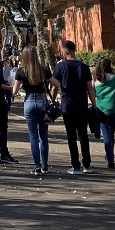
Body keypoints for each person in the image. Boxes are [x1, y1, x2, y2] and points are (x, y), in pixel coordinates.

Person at [50, 39, 95, 174]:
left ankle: (75, 165)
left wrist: (52, 101)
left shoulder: (60, 67)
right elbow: (90, 88)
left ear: (66, 52)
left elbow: (54, 87)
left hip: (67, 104)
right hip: (81, 104)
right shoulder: (84, 67)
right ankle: (86, 164)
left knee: (71, 136)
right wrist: (94, 104)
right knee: (83, 135)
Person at [12, 46, 51, 176]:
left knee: (33, 136)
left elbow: (14, 91)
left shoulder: (21, 71)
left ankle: (37, 166)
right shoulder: (43, 69)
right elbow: (56, 83)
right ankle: (45, 165)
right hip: (42, 101)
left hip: (29, 102)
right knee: (43, 136)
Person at [92, 56, 115, 170]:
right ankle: (110, 156)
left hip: (101, 109)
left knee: (106, 133)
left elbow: (93, 94)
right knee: (111, 132)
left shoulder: (95, 80)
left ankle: (110, 157)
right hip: (113, 109)